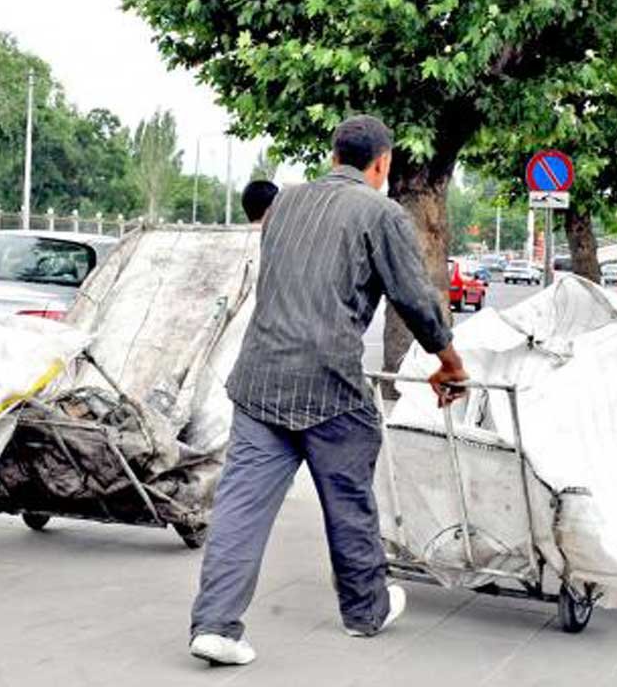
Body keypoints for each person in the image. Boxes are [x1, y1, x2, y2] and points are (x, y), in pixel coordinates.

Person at [188, 115, 468, 665]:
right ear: (382, 163)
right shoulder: (381, 213)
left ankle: (215, 625)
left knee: (240, 507)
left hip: (260, 379)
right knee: (349, 494)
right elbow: (414, 299)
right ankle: (365, 611)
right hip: (328, 381)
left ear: (334, 153)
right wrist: (449, 363)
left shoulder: (285, 203)